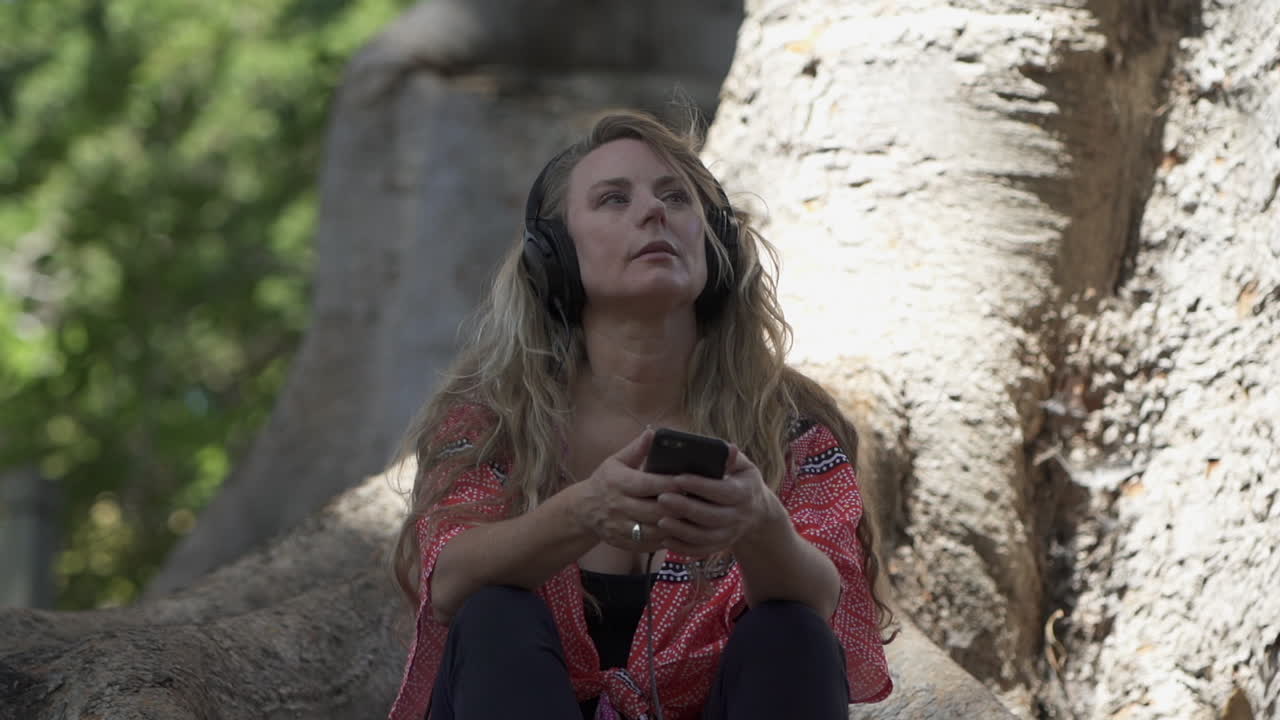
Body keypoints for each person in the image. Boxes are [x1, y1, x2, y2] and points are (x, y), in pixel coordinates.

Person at [387, 109, 893, 720]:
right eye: (613, 199)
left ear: (715, 243)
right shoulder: (491, 420)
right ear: (555, 254)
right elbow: (447, 584)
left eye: (675, 197)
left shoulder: (789, 422)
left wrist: (760, 523)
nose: (653, 211)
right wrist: (584, 510)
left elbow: (829, 598)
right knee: (496, 614)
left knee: (793, 632)